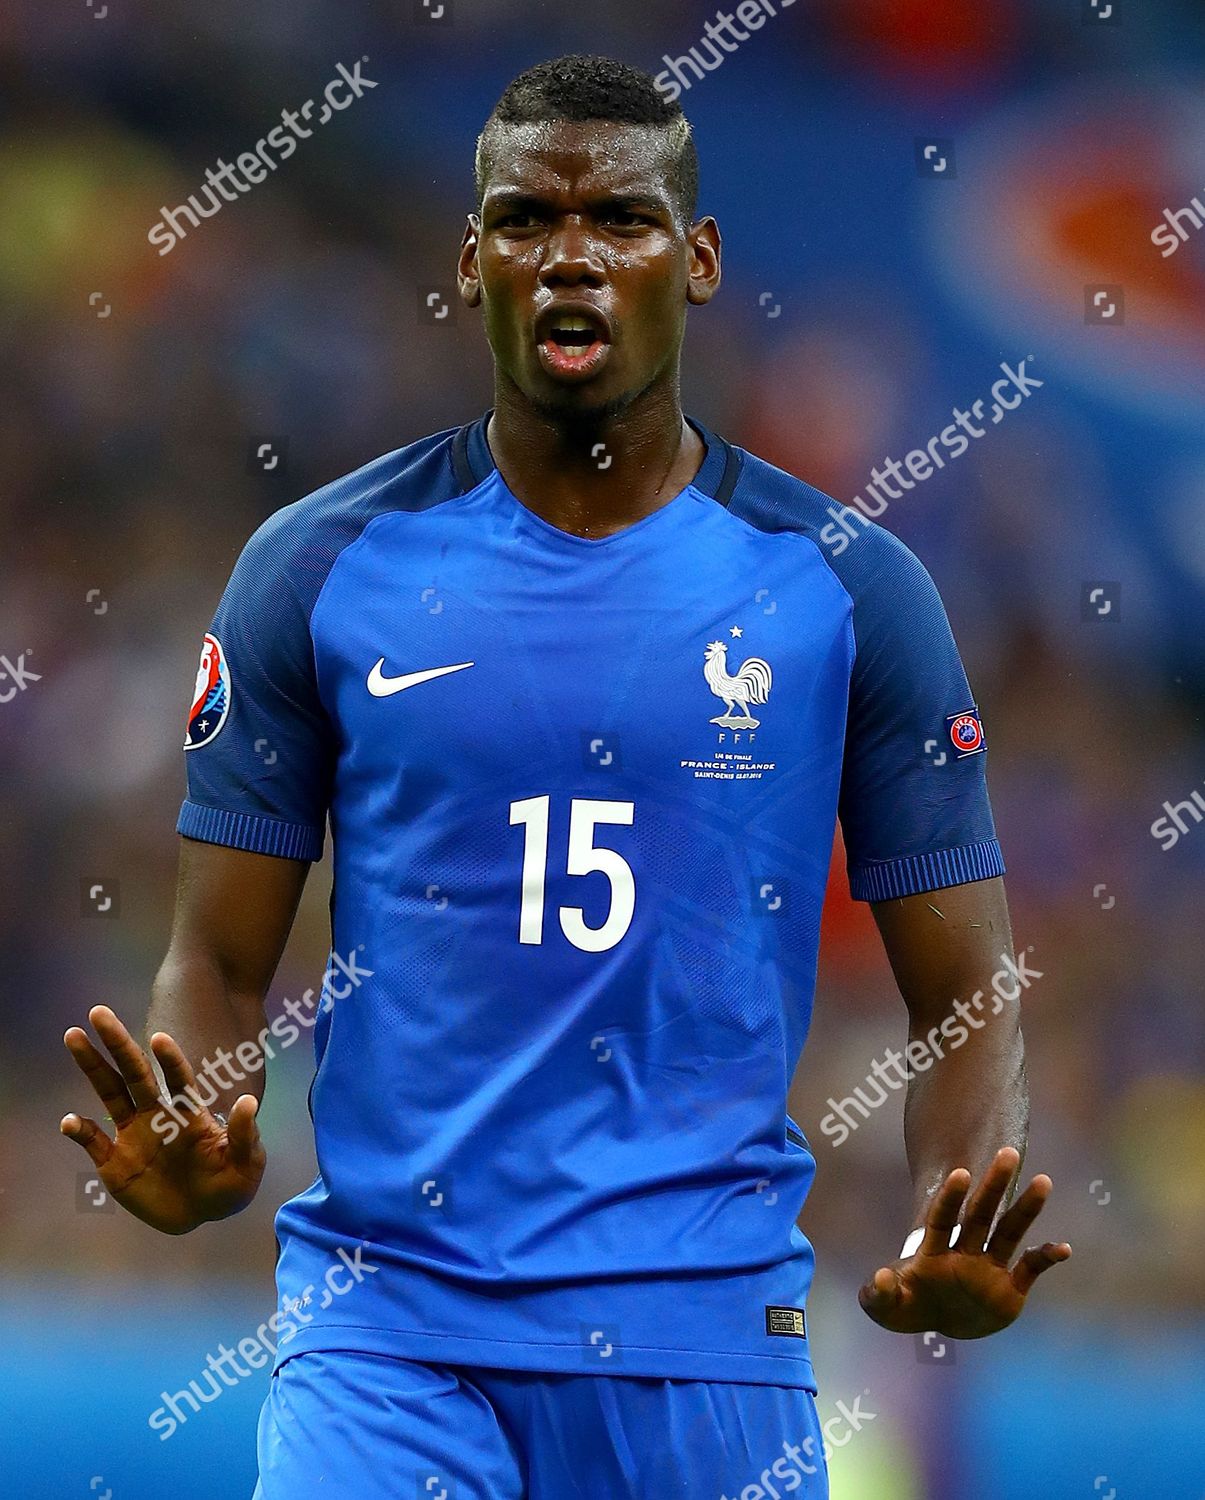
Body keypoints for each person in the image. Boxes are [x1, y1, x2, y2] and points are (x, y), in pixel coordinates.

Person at [61, 53, 1070, 1499]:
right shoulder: (317, 568)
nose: (570, 259)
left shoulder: (846, 591)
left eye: (622, 222)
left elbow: (962, 987)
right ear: (470, 260)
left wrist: (946, 1215)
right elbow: (214, 956)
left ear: (699, 258)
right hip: (389, 1336)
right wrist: (203, 1111)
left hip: (705, 1345)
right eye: (526, 221)